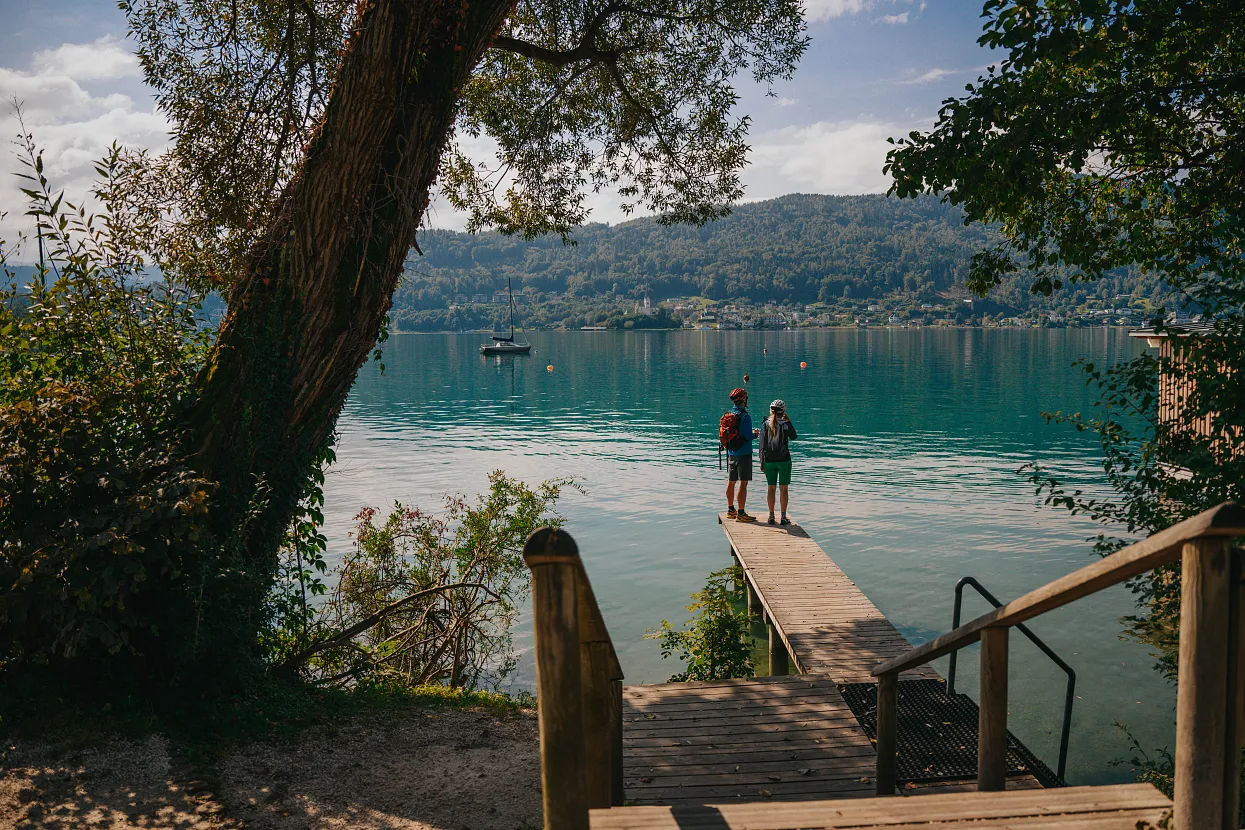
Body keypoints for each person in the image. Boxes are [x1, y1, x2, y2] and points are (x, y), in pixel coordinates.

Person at [724, 387, 760, 522]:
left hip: (731, 452)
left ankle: (730, 510)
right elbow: (748, 436)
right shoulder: (745, 416)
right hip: (744, 453)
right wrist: (755, 434)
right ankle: (741, 513)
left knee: (731, 481)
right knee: (743, 483)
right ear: (744, 399)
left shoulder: (729, 414)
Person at [759, 399, 797, 525]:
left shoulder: (765, 424)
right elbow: (794, 436)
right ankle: (783, 517)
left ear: (771, 411)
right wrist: (789, 421)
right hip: (784, 460)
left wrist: (762, 461)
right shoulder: (785, 424)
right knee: (784, 488)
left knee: (771, 488)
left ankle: (771, 516)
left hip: (769, 460)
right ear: (783, 412)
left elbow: (762, 445)